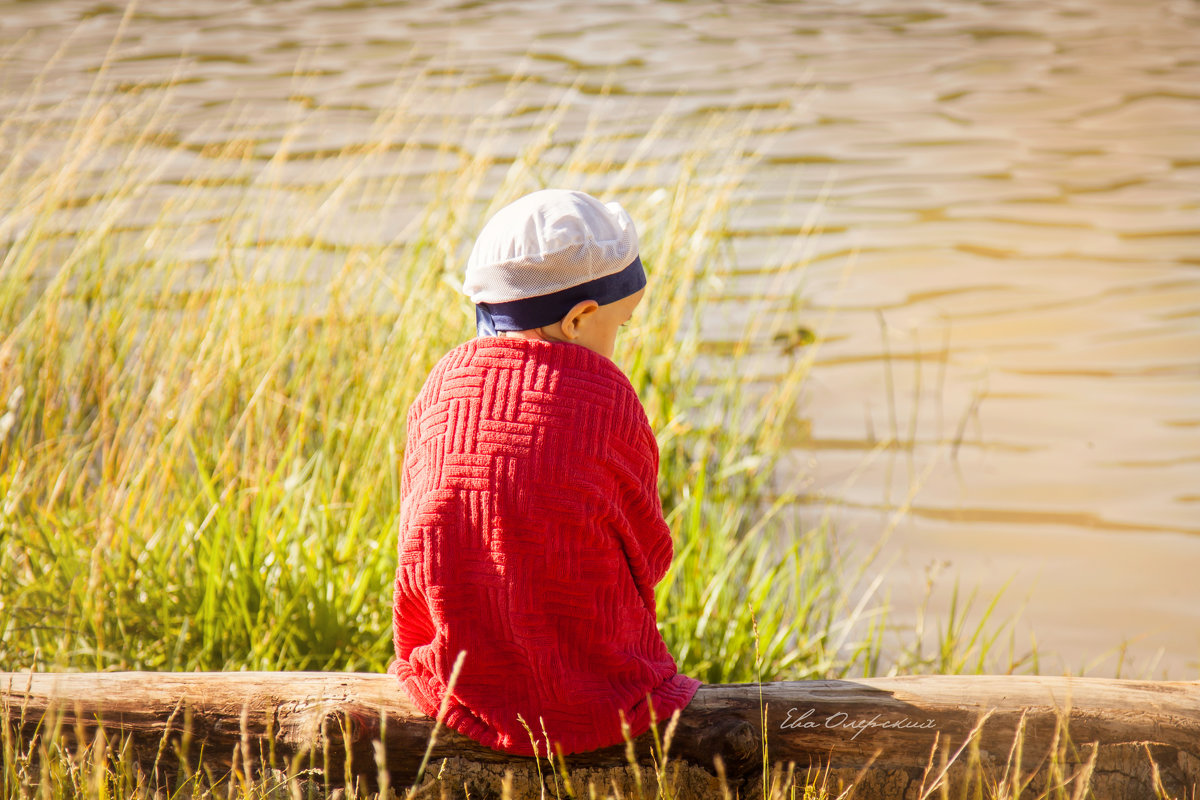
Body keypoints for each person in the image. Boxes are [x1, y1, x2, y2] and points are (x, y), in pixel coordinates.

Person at [388, 189, 701, 757]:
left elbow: (418, 541)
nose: (621, 342)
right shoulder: (604, 398)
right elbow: (649, 554)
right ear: (580, 319)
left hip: (460, 683)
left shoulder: (442, 386)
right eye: (622, 326)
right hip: (600, 696)